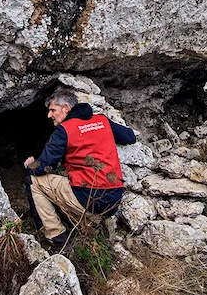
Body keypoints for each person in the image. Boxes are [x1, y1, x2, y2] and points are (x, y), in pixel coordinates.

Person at [23, 89, 137, 248]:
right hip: (113, 200)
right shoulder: (101, 120)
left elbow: (43, 167)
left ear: (66, 108)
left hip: (87, 199)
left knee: (32, 181)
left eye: (52, 110)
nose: (49, 115)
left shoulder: (64, 130)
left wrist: (30, 165)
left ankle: (57, 238)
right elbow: (130, 137)